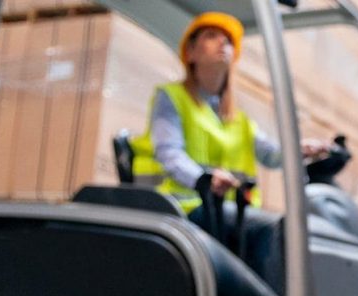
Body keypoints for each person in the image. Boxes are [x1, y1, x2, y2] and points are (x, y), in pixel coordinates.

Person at [131, 11, 327, 223]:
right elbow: (169, 153)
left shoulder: (238, 119)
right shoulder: (171, 98)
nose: (222, 41)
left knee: (281, 228)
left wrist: (301, 150)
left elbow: (271, 155)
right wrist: (204, 179)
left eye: (228, 40)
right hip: (181, 208)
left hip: (225, 210)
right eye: (211, 35)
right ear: (191, 52)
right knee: (271, 229)